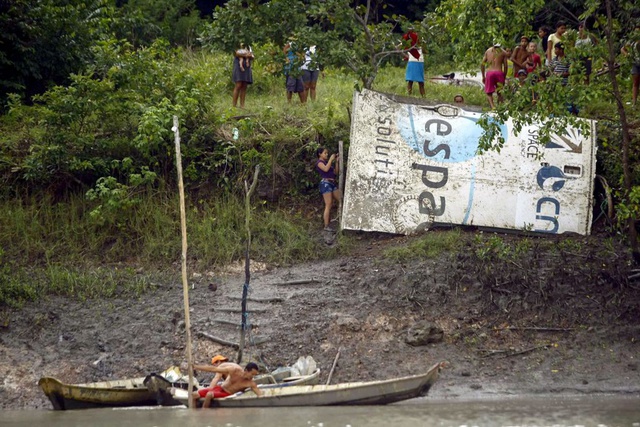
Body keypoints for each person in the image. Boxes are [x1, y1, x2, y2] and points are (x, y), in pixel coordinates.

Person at [192, 361, 262, 408]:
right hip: (219, 388)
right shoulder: (234, 370)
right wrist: (196, 366)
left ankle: (203, 413)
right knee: (194, 395)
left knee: (209, 394)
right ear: (246, 370)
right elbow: (214, 369)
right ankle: (193, 413)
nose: (252, 377)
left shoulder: (251, 383)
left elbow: (260, 395)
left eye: (254, 375)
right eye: (252, 374)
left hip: (227, 393)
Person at [316, 147, 341, 231]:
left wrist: (337, 162)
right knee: (328, 204)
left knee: (341, 200)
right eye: (325, 153)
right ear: (320, 154)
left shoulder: (327, 163)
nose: (326, 154)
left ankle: (340, 219)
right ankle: (326, 226)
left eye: (327, 153)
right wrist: (331, 159)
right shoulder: (319, 162)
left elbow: (335, 172)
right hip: (325, 184)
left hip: (332, 183)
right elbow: (325, 169)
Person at [481, 42, 508, 109]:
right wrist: (504, 76)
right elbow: (505, 66)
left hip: (490, 73)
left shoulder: (488, 51)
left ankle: (493, 107)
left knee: (489, 92)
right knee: (500, 92)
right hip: (499, 72)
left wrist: (483, 76)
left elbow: (482, 64)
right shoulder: (503, 52)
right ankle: (501, 107)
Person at [401, 28, 425, 97]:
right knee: (412, 81)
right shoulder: (409, 40)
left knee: (419, 82)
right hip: (414, 61)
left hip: (418, 61)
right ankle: (410, 96)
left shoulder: (420, 39)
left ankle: (422, 97)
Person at [621, 26, 640, 107]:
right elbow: (623, 49)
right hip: (635, 63)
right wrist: (627, 55)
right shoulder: (632, 41)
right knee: (635, 83)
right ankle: (634, 103)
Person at [232, 44, 254, 108]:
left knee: (244, 85)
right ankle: (234, 105)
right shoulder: (236, 44)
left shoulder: (248, 46)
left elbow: (252, 56)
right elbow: (236, 54)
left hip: (247, 67)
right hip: (238, 66)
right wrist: (246, 55)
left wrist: (248, 56)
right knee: (238, 84)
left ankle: (242, 105)